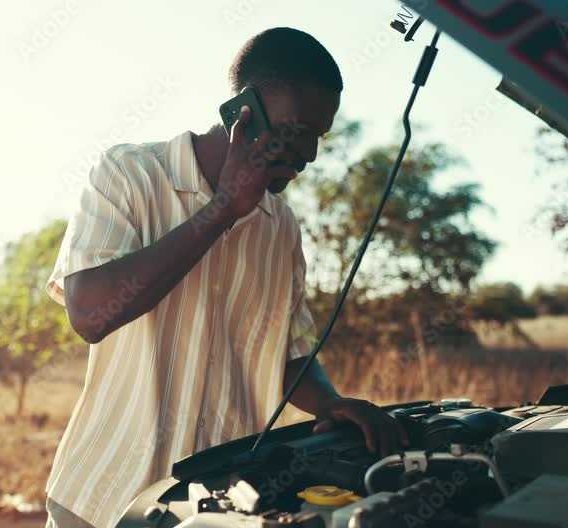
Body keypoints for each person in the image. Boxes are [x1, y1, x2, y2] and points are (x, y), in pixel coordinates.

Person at [43, 27, 409, 528]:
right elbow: (88, 313)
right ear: (244, 111)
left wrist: (332, 402)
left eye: (319, 137)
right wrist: (221, 210)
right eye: (299, 131)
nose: (310, 155)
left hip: (215, 509)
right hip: (103, 500)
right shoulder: (129, 173)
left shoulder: (281, 226)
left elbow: (289, 351)